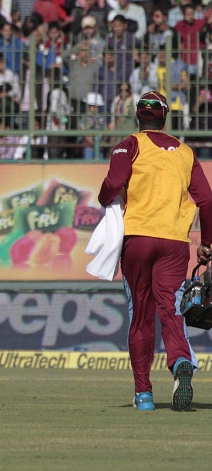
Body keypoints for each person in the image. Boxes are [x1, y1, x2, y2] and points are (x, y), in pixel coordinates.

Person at [98, 91, 212, 411]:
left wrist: (103, 198)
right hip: (175, 242)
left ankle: (144, 394)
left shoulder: (129, 144)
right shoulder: (185, 152)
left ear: (139, 117)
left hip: (138, 238)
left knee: (141, 314)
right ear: (164, 117)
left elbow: (114, 181)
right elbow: (206, 200)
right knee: (171, 308)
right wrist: (207, 243)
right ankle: (179, 362)